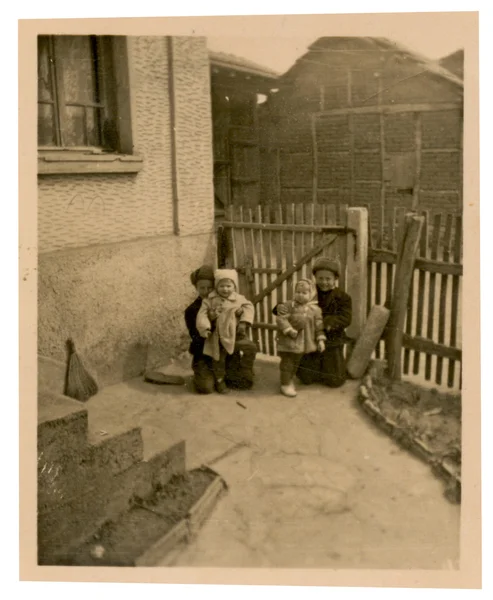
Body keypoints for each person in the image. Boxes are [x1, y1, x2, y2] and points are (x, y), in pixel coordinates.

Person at [275, 258, 352, 388]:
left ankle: (329, 370)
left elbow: (346, 318)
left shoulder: (343, 297)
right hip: (309, 338)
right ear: (315, 277)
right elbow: (293, 304)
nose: (324, 282)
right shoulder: (309, 292)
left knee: (335, 381)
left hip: (331, 338)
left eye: (328, 279)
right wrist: (281, 309)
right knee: (306, 378)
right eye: (320, 278)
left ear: (335, 279)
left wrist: (326, 323)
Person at [184, 265, 254, 394]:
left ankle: (235, 369)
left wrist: (239, 315)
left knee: (243, 383)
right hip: (204, 352)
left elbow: (241, 312)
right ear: (196, 288)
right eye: (202, 288)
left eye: (209, 287)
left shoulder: (224, 299)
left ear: (215, 286)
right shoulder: (193, 309)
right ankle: (202, 373)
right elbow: (197, 336)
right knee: (206, 388)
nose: (206, 291)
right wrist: (211, 321)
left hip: (225, 347)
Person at [275, 279, 326, 398]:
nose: (300, 295)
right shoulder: (288, 305)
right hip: (288, 340)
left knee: (296, 363)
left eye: (304, 293)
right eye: (298, 292)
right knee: (287, 363)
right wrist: (288, 329)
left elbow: (319, 326)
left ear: (312, 294)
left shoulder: (315, 310)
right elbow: (280, 318)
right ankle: (285, 384)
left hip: (303, 343)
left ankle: (289, 379)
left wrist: (320, 340)